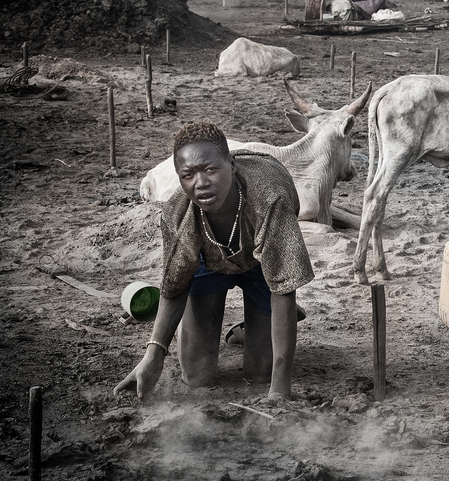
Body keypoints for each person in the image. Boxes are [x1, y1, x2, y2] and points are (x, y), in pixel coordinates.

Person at [114, 122, 314, 401]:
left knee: (261, 372)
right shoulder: (177, 213)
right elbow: (174, 284)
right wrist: (153, 355)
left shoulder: (270, 197)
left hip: (262, 264)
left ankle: (264, 323)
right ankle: (240, 324)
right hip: (208, 263)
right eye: (188, 175)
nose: (201, 183)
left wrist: (279, 391)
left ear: (231, 165)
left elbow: (284, 287)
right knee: (197, 376)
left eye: (210, 169)